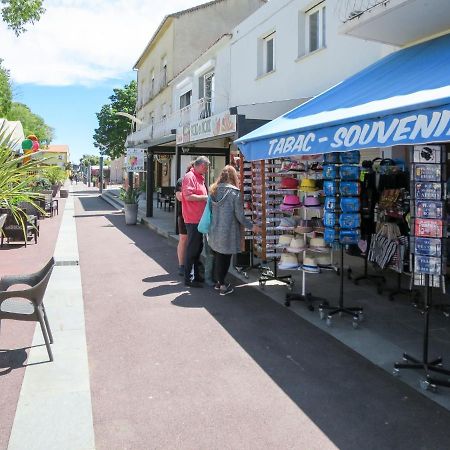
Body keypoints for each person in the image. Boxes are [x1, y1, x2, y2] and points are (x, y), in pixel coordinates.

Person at [208, 165, 257, 296]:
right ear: (234, 177)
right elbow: (240, 216)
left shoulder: (213, 190)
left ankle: (219, 283)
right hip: (229, 231)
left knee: (218, 257)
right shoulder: (235, 193)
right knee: (225, 258)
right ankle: (222, 285)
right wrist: (252, 226)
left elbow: (210, 211)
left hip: (215, 229)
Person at [181, 156, 210, 287]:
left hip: (199, 219)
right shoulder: (190, 177)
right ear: (199, 165)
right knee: (192, 249)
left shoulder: (199, 177)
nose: (207, 170)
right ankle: (189, 279)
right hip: (192, 219)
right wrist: (205, 198)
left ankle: (197, 276)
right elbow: (187, 196)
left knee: (198, 248)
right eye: (205, 167)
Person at [175, 163, 194, 276]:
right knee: (183, 239)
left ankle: (192, 263)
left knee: (195, 241)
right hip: (183, 215)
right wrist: (193, 196)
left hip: (197, 216)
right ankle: (181, 265)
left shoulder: (200, 181)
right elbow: (179, 197)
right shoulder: (181, 181)